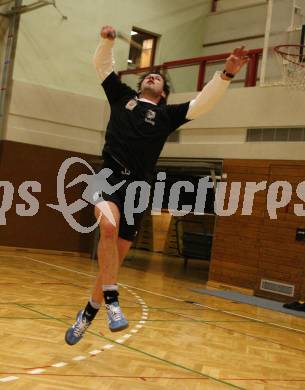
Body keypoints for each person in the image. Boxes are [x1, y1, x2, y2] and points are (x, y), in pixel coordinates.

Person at [65, 25, 249, 345]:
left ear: (162, 92)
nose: (152, 77)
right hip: (109, 174)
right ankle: (112, 300)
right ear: (140, 86)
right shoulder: (122, 97)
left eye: (158, 78)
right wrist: (106, 42)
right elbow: (102, 65)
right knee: (108, 227)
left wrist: (226, 74)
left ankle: (89, 313)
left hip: (139, 189)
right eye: (148, 76)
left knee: (114, 261)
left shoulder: (166, 116)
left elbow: (202, 104)